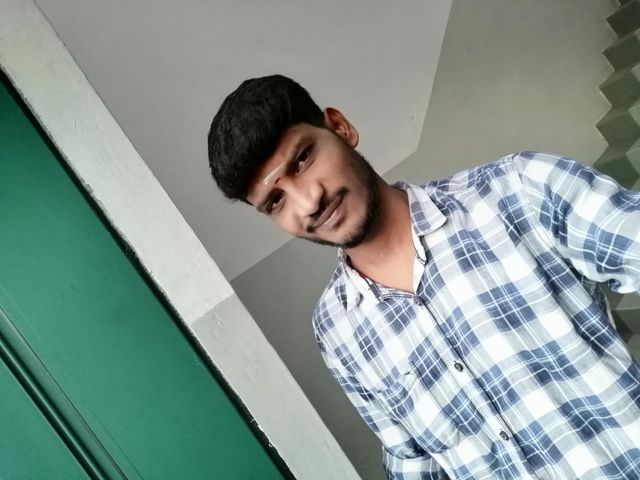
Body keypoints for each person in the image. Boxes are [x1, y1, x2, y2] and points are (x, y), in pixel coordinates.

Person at [207, 75, 640, 479]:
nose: (308, 203)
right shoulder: (336, 331)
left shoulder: (519, 190)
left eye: (303, 159)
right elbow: (413, 463)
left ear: (340, 128)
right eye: (275, 201)